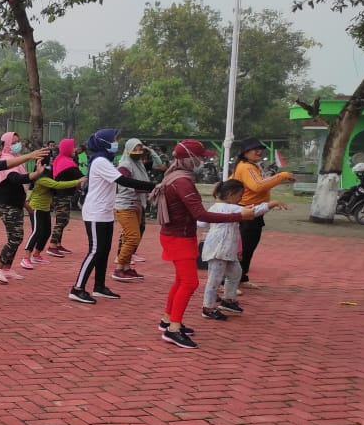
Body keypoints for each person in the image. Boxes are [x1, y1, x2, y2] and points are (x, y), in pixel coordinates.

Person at [151, 141, 254, 349]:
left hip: (178, 235)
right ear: (190, 158)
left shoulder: (176, 176)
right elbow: (200, 214)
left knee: (181, 281)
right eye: (200, 157)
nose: (202, 161)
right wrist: (238, 215)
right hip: (178, 237)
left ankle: (168, 320)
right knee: (189, 283)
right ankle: (173, 329)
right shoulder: (182, 181)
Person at [67, 129, 155, 305]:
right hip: (95, 212)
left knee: (104, 250)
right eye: (113, 140)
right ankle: (77, 288)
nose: (116, 143)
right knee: (95, 251)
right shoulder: (100, 161)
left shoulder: (105, 160)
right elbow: (123, 181)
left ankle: (99, 286)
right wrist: (153, 186)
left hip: (105, 212)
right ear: (104, 142)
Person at [199, 180, 284, 321]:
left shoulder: (218, 207)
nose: (240, 198)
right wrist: (271, 204)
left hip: (226, 251)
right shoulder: (230, 208)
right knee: (214, 280)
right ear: (231, 194)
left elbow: (201, 222)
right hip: (218, 251)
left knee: (235, 273)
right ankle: (208, 308)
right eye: (239, 195)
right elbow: (254, 212)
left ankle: (227, 300)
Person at [230, 137, 295, 288]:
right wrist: (282, 175)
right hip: (248, 212)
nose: (259, 151)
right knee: (243, 248)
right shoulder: (247, 167)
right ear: (245, 152)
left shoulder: (249, 166)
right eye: (255, 149)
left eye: (260, 149)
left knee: (247, 247)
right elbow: (257, 186)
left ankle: (240, 278)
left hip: (251, 211)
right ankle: (227, 281)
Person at [0, 133, 48, 283]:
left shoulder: (16, 160)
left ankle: (6, 268)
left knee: (15, 237)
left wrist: (25, 203)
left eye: (18, 141)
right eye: (14, 142)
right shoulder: (5, 160)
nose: (17, 144)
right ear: (6, 144)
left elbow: (20, 184)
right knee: (16, 237)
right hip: (6, 205)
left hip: (15, 204)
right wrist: (35, 174)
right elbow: (15, 179)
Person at [22, 160, 86, 270]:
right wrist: (77, 181)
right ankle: (26, 258)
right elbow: (57, 185)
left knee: (46, 232)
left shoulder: (48, 178)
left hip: (45, 209)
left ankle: (36, 255)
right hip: (36, 208)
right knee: (37, 232)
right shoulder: (42, 179)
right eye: (48, 165)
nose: (51, 168)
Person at [112, 138, 150, 282]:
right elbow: (129, 185)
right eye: (135, 149)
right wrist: (151, 188)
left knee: (130, 238)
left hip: (137, 205)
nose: (138, 152)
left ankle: (126, 268)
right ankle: (119, 268)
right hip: (125, 205)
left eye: (140, 149)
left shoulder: (139, 165)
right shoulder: (125, 166)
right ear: (128, 150)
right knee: (133, 237)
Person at [46, 138, 82, 257]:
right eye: (72, 148)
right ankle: (52, 246)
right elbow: (81, 177)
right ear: (67, 149)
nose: (74, 150)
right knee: (62, 220)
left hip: (59, 195)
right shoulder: (67, 163)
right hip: (62, 196)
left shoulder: (60, 159)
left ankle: (58, 243)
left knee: (62, 220)